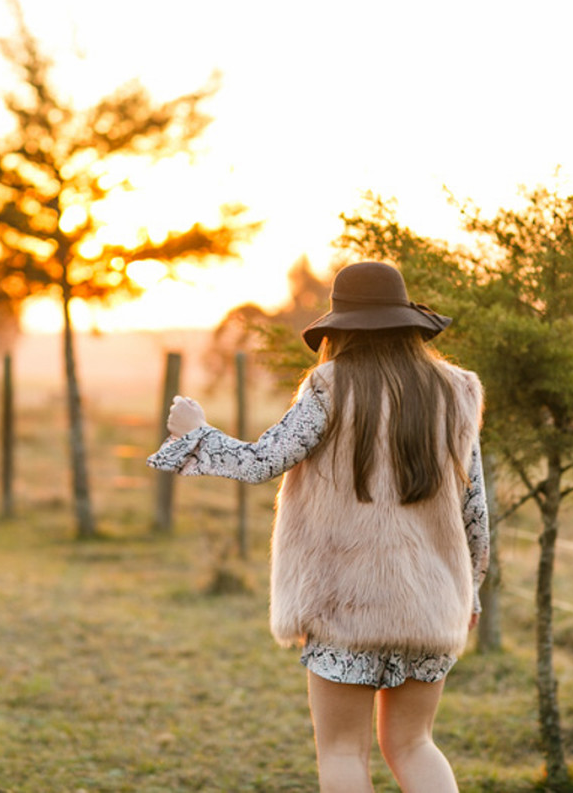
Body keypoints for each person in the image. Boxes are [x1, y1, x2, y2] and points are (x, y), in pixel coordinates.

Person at [147, 261, 488, 793]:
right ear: (407, 322)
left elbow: (263, 461)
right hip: (432, 600)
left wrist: (196, 432)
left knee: (343, 750)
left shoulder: (329, 386)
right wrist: (472, 594)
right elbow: (475, 511)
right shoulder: (458, 392)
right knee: (415, 745)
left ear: (341, 328)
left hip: (344, 606)